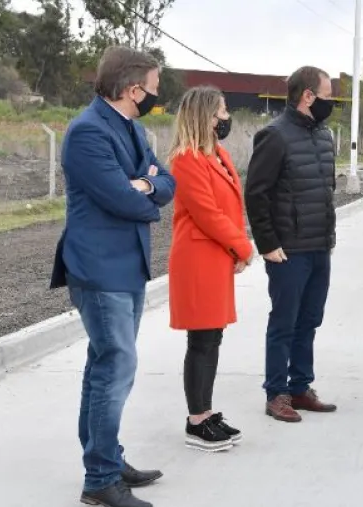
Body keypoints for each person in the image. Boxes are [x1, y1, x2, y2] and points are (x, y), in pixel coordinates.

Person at [49, 46, 175, 507]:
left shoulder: (134, 128)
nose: (156, 97)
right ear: (132, 88)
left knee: (104, 366)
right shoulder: (86, 132)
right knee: (116, 368)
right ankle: (100, 479)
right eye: (154, 89)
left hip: (128, 266)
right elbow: (123, 201)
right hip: (99, 269)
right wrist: (145, 188)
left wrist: (145, 183)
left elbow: (167, 182)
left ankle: (105, 457)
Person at [245, 66, 337, 423]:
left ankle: (300, 387)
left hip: (319, 246)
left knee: (310, 319)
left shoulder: (324, 134)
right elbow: (256, 194)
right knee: (284, 321)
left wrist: (328, 238)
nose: (331, 103)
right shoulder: (275, 135)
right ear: (308, 96)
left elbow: (325, 191)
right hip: (288, 249)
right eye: (327, 96)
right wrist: (267, 243)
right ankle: (276, 393)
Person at [167, 86, 254, 452]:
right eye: (220, 111)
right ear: (204, 116)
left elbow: (230, 207)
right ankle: (196, 420)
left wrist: (234, 248)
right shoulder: (186, 160)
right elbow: (207, 214)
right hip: (199, 259)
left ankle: (205, 411)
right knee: (201, 340)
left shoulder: (216, 154)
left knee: (213, 337)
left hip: (217, 256)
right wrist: (243, 246)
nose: (225, 117)